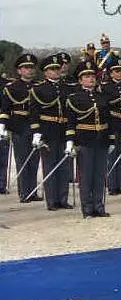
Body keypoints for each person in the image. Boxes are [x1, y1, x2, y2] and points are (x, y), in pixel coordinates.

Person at [64, 59, 113, 218]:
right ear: (80, 80)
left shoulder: (103, 97)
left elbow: (109, 120)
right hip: (84, 140)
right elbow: (71, 123)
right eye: (86, 76)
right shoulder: (74, 98)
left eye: (92, 76)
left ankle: (99, 206)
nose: (90, 79)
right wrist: (70, 142)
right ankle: (87, 208)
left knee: (100, 176)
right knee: (86, 176)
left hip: (101, 140)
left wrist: (111, 140)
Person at [29, 54, 72, 210]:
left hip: (64, 130)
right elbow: (34, 113)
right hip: (48, 131)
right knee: (50, 166)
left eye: (57, 68)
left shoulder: (68, 87)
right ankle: (52, 200)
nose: (55, 71)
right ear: (45, 72)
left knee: (64, 167)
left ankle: (63, 198)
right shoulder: (38, 89)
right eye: (52, 69)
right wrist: (36, 133)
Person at [1, 54, 41, 202]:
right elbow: (5, 109)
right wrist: (3, 127)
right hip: (20, 125)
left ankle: (33, 191)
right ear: (19, 71)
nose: (29, 70)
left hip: (36, 126)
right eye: (26, 68)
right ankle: (24, 192)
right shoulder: (12, 87)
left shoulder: (39, 86)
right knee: (22, 159)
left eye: (31, 67)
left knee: (34, 159)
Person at [101, 57, 121, 195]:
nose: (120, 73)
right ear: (110, 73)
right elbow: (104, 108)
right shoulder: (105, 88)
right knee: (112, 156)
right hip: (112, 124)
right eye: (116, 71)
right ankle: (112, 185)